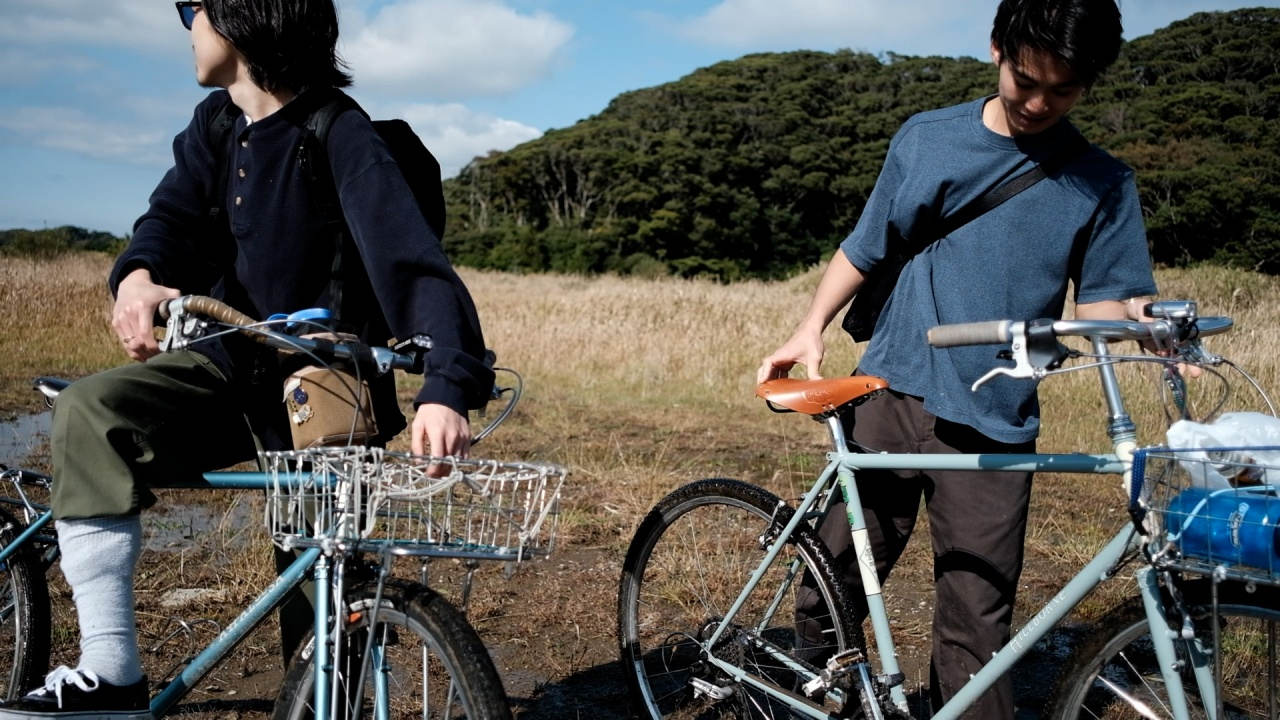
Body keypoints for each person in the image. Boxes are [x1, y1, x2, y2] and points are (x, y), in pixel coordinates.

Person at [0, 1, 493, 717]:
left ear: (242, 16)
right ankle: (110, 669)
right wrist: (137, 275)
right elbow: (168, 219)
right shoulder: (216, 125)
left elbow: (414, 265)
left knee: (320, 593)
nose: (187, 25)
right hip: (226, 368)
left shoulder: (339, 131)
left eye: (190, 8)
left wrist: (445, 385)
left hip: (320, 388)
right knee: (90, 412)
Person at [756, 1, 1156, 717]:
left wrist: (1146, 322)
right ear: (997, 49)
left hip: (994, 409)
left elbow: (1102, 305)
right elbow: (866, 244)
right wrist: (810, 326)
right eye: (1025, 81)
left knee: (978, 610)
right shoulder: (928, 139)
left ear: (1088, 85)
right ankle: (803, 695)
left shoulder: (1102, 181)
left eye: (1061, 91)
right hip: (888, 383)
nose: (1038, 104)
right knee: (835, 572)